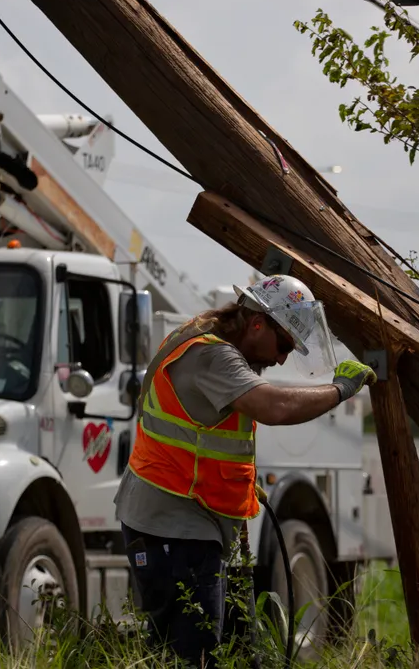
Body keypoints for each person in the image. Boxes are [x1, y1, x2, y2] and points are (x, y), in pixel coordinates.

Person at [114, 274, 376, 667]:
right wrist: (339, 390)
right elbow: (275, 407)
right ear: (257, 323)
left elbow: (208, 436)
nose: (283, 359)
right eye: (285, 344)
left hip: (181, 519)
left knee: (223, 649)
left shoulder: (203, 333)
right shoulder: (212, 355)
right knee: (195, 656)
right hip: (174, 523)